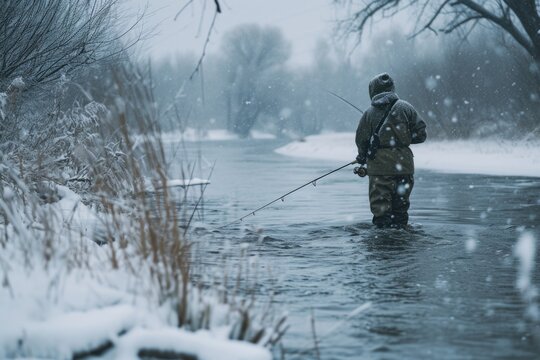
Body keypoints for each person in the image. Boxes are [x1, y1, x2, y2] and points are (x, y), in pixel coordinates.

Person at [355, 73, 427, 228]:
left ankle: (383, 243)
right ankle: (401, 241)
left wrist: (362, 156)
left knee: (381, 212)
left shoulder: (369, 113)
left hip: (379, 168)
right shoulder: (406, 108)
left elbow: (361, 140)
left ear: (372, 91)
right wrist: (403, 139)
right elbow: (421, 135)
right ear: (392, 88)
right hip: (404, 166)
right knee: (401, 210)